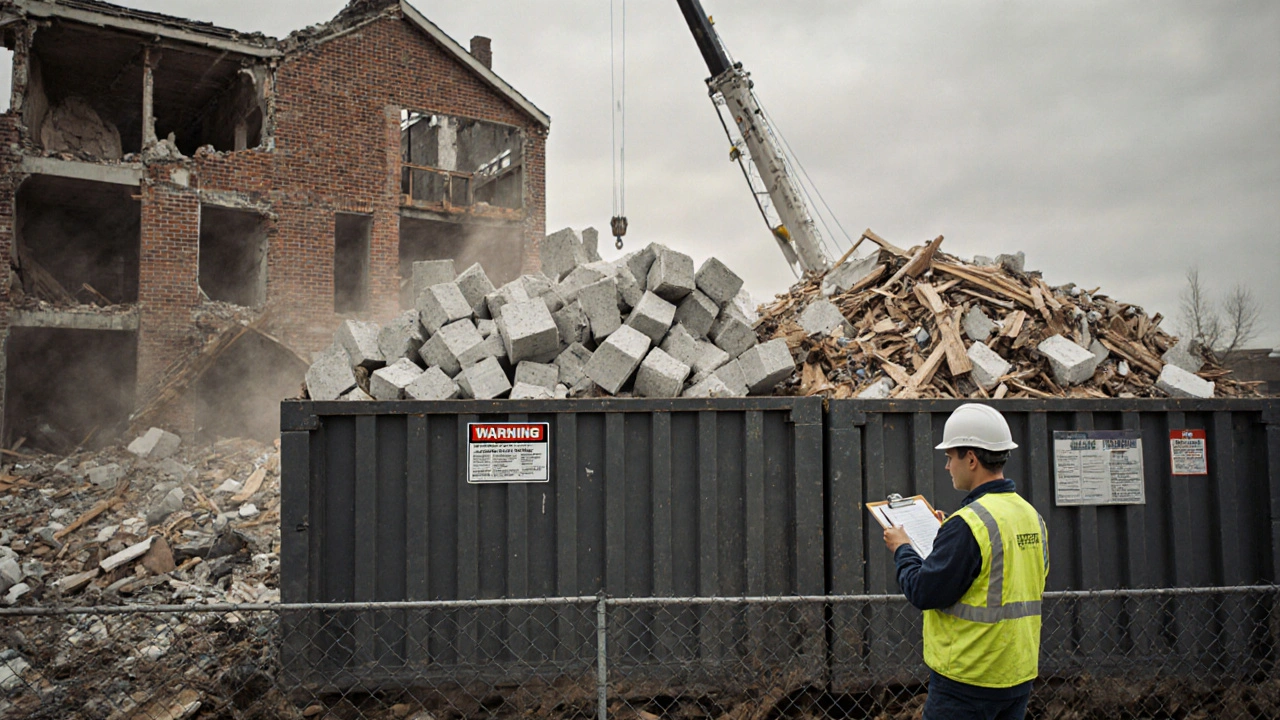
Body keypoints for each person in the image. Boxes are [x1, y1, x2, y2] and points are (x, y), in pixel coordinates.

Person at [882, 403, 1049, 720]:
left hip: (968, 681)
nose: (947, 466)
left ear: (971, 458)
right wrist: (946, 538)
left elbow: (923, 591)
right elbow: (1004, 576)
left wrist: (903, 547)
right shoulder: (1030, 516)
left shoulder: (968, 525)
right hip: (1017, 676)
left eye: (950, 457)